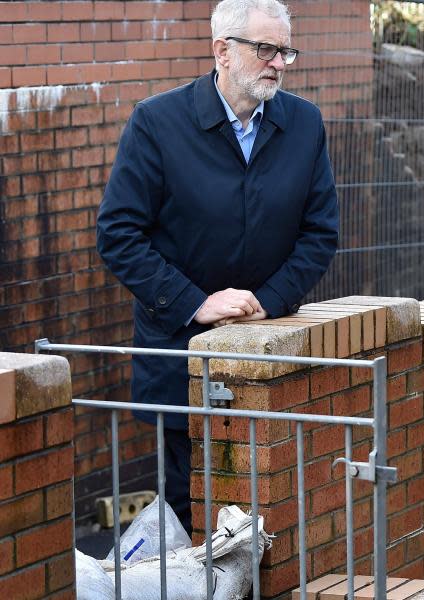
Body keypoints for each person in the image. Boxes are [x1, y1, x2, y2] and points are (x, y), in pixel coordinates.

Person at [96, 0, 339, 533]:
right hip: (180, 355)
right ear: (222, 51)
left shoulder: (304, 124)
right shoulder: (158, 123)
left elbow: (320, 233)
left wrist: (268, 303)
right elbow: (117, 234)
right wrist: (196, 303)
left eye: (285, 51)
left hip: (269, 356)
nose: (278, 62)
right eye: (266, 49)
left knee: (275, 511)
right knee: (194, 509)